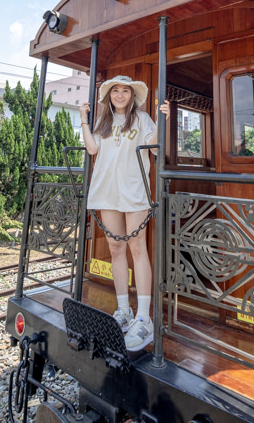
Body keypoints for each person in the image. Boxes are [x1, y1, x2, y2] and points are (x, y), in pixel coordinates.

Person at [80, 75, 170, 352]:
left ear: (132, 95)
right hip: (107, 190)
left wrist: (162, 118)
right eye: (115, 91)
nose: (120, 95)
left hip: (133, 190)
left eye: (125, 91)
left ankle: (144, 317)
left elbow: (154, 147)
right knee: (115, 248)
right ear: (109, 96)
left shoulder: (142, 119)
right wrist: (83, 119)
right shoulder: (103, 122)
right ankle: (123, 310)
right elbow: (92, 148)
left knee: (137, 247)